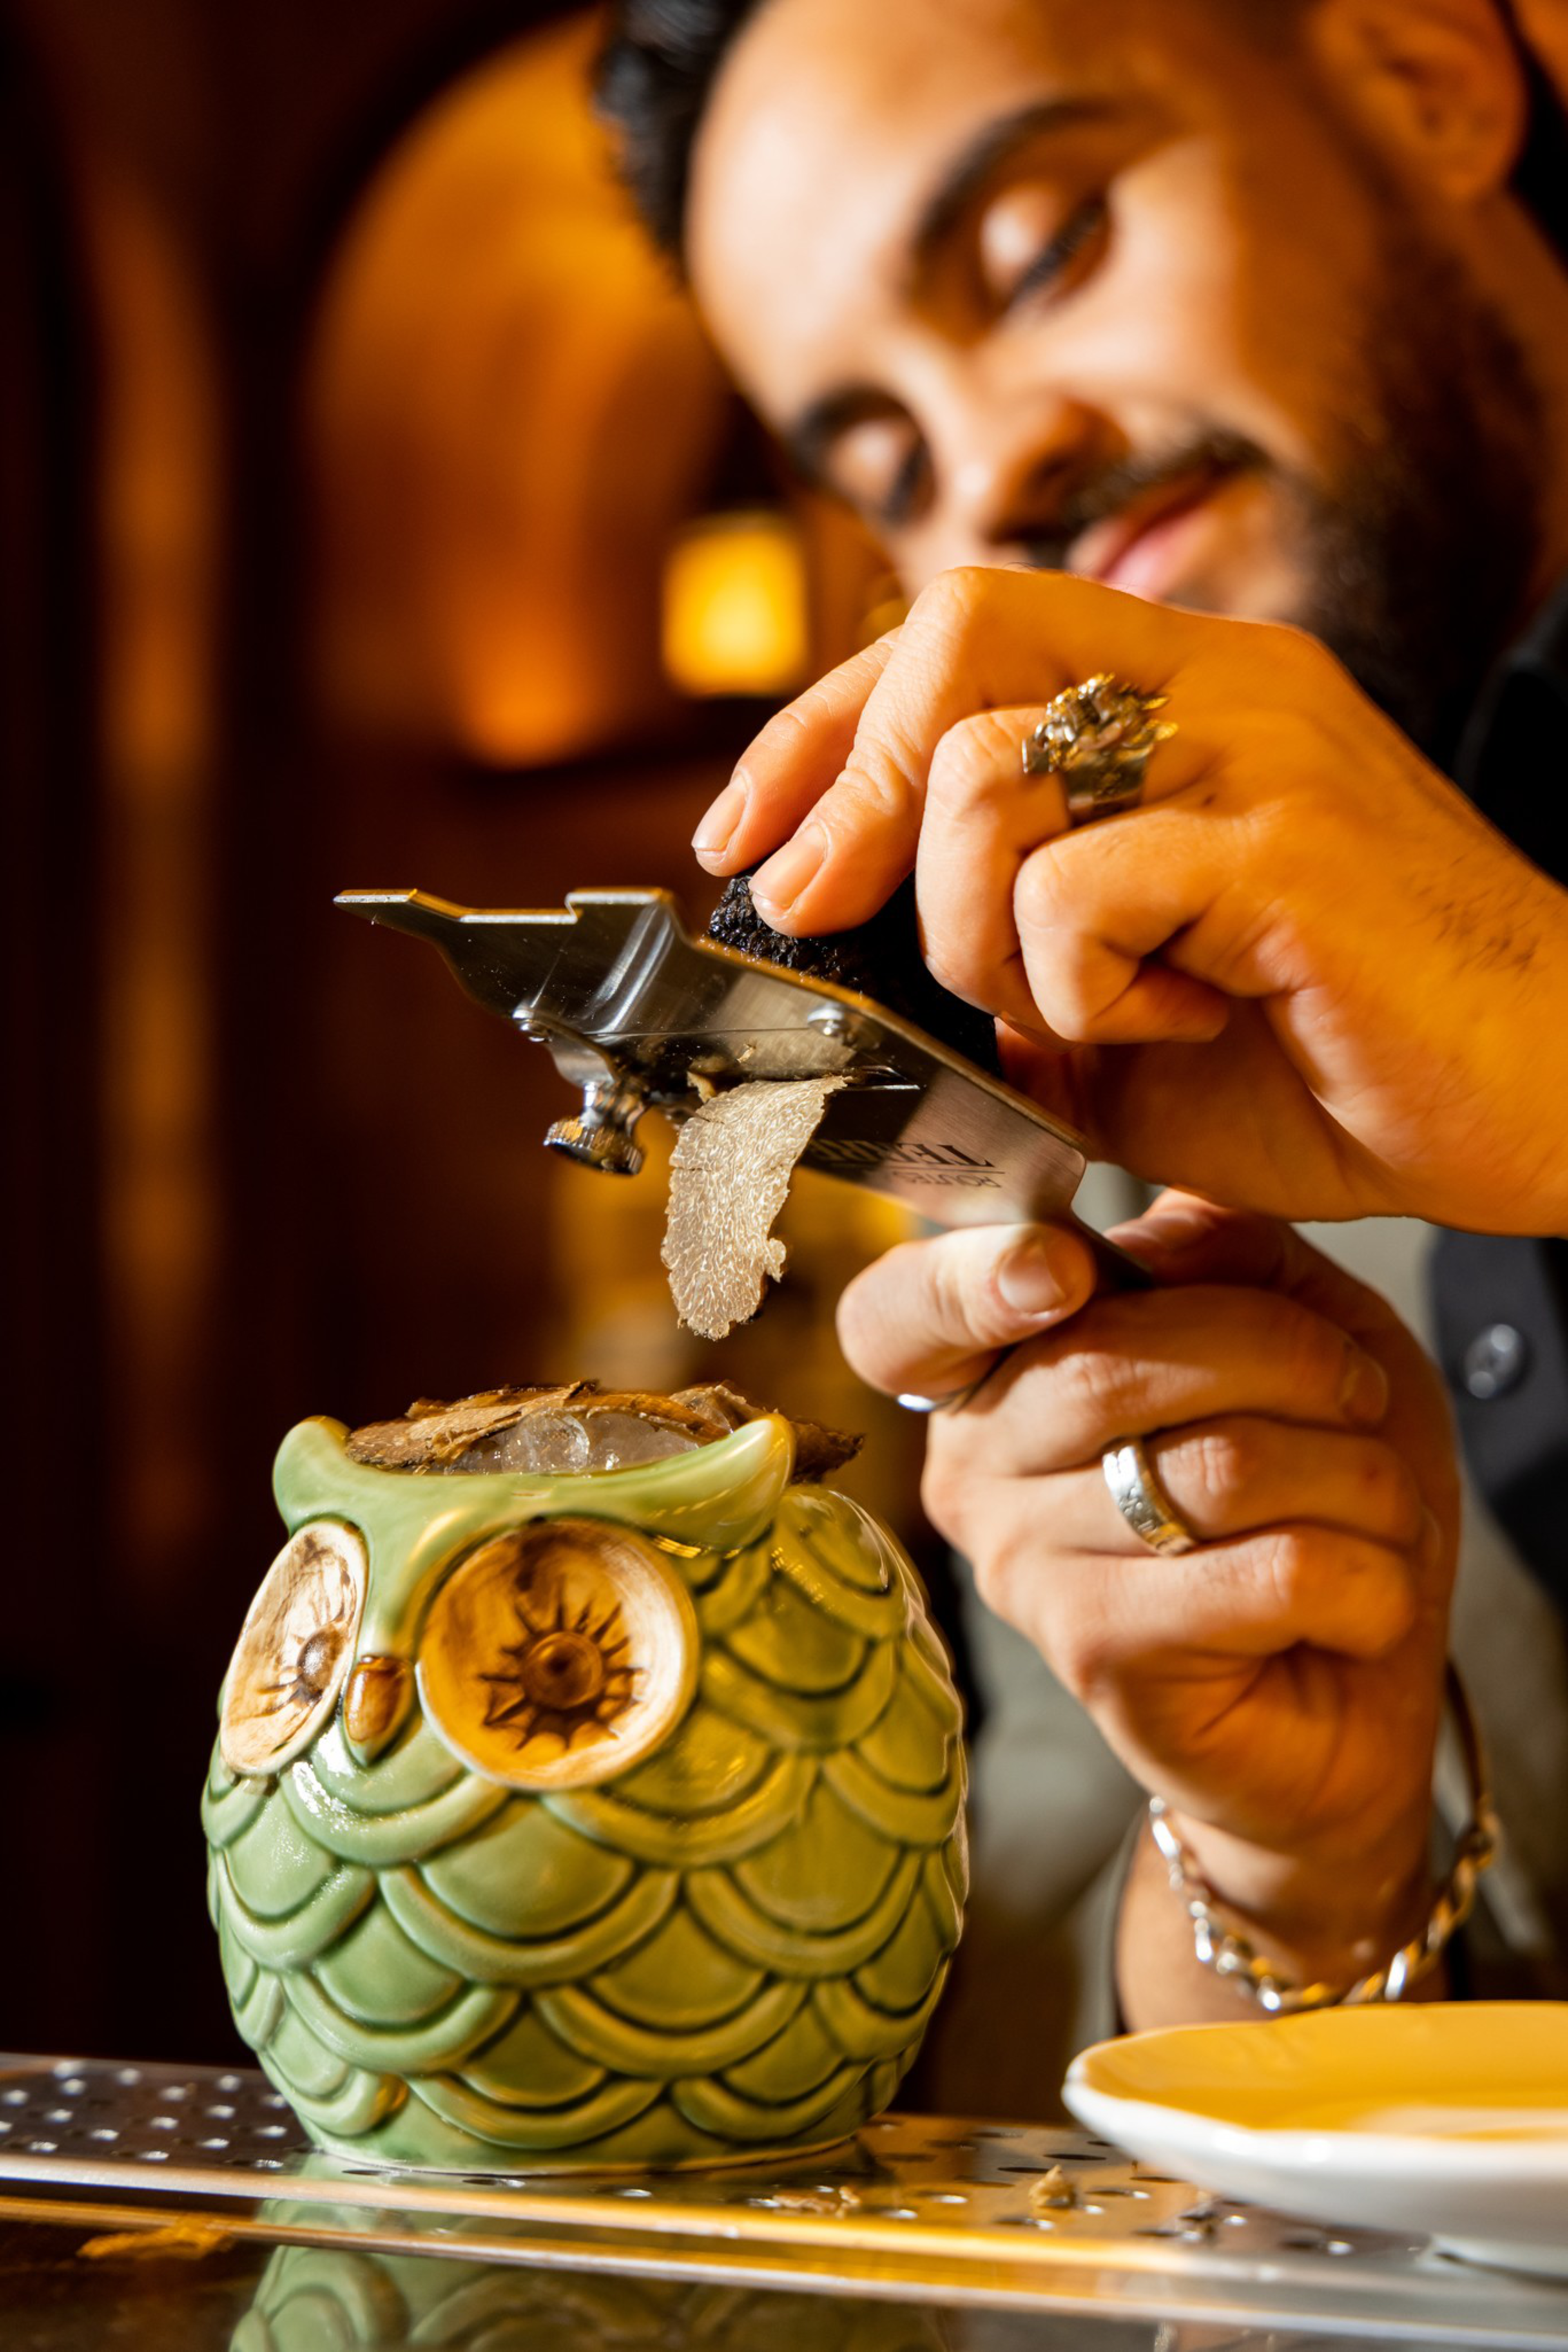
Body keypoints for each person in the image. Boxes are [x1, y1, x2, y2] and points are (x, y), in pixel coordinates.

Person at [596, 0, 1568, 2064]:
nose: (996, 475)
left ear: (1417, 70)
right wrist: (1292, 1862)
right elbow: (1079, 2101)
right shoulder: (1132, 1078)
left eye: (1039, 251)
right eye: (886, 462)